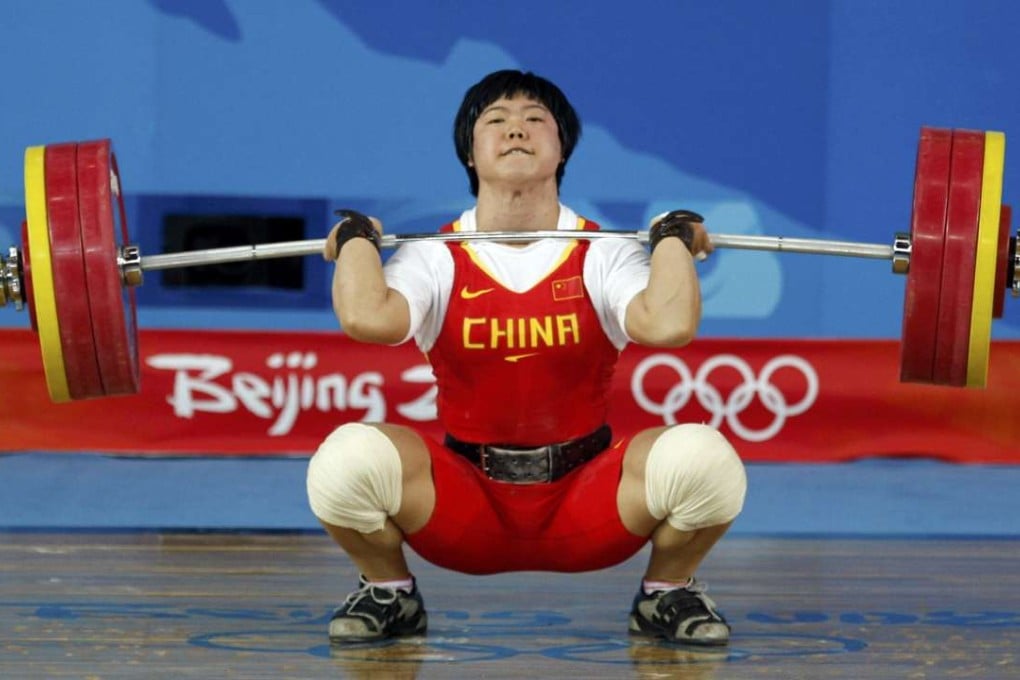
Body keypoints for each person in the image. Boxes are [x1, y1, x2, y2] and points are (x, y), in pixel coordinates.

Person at [307, 69, 747, 647]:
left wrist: (670, 242)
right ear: (470, 153)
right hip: (465, 508)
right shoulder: (434, 257)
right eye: (496, 120)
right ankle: (389, 590)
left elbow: (668, 326)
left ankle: (666, 591)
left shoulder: (603, 253)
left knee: (705, 457)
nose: (516, 129)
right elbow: (368, 318)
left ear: (561, 150)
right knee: (346, 458)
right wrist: (359, 241)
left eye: (535, 119)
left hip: (589, 506)